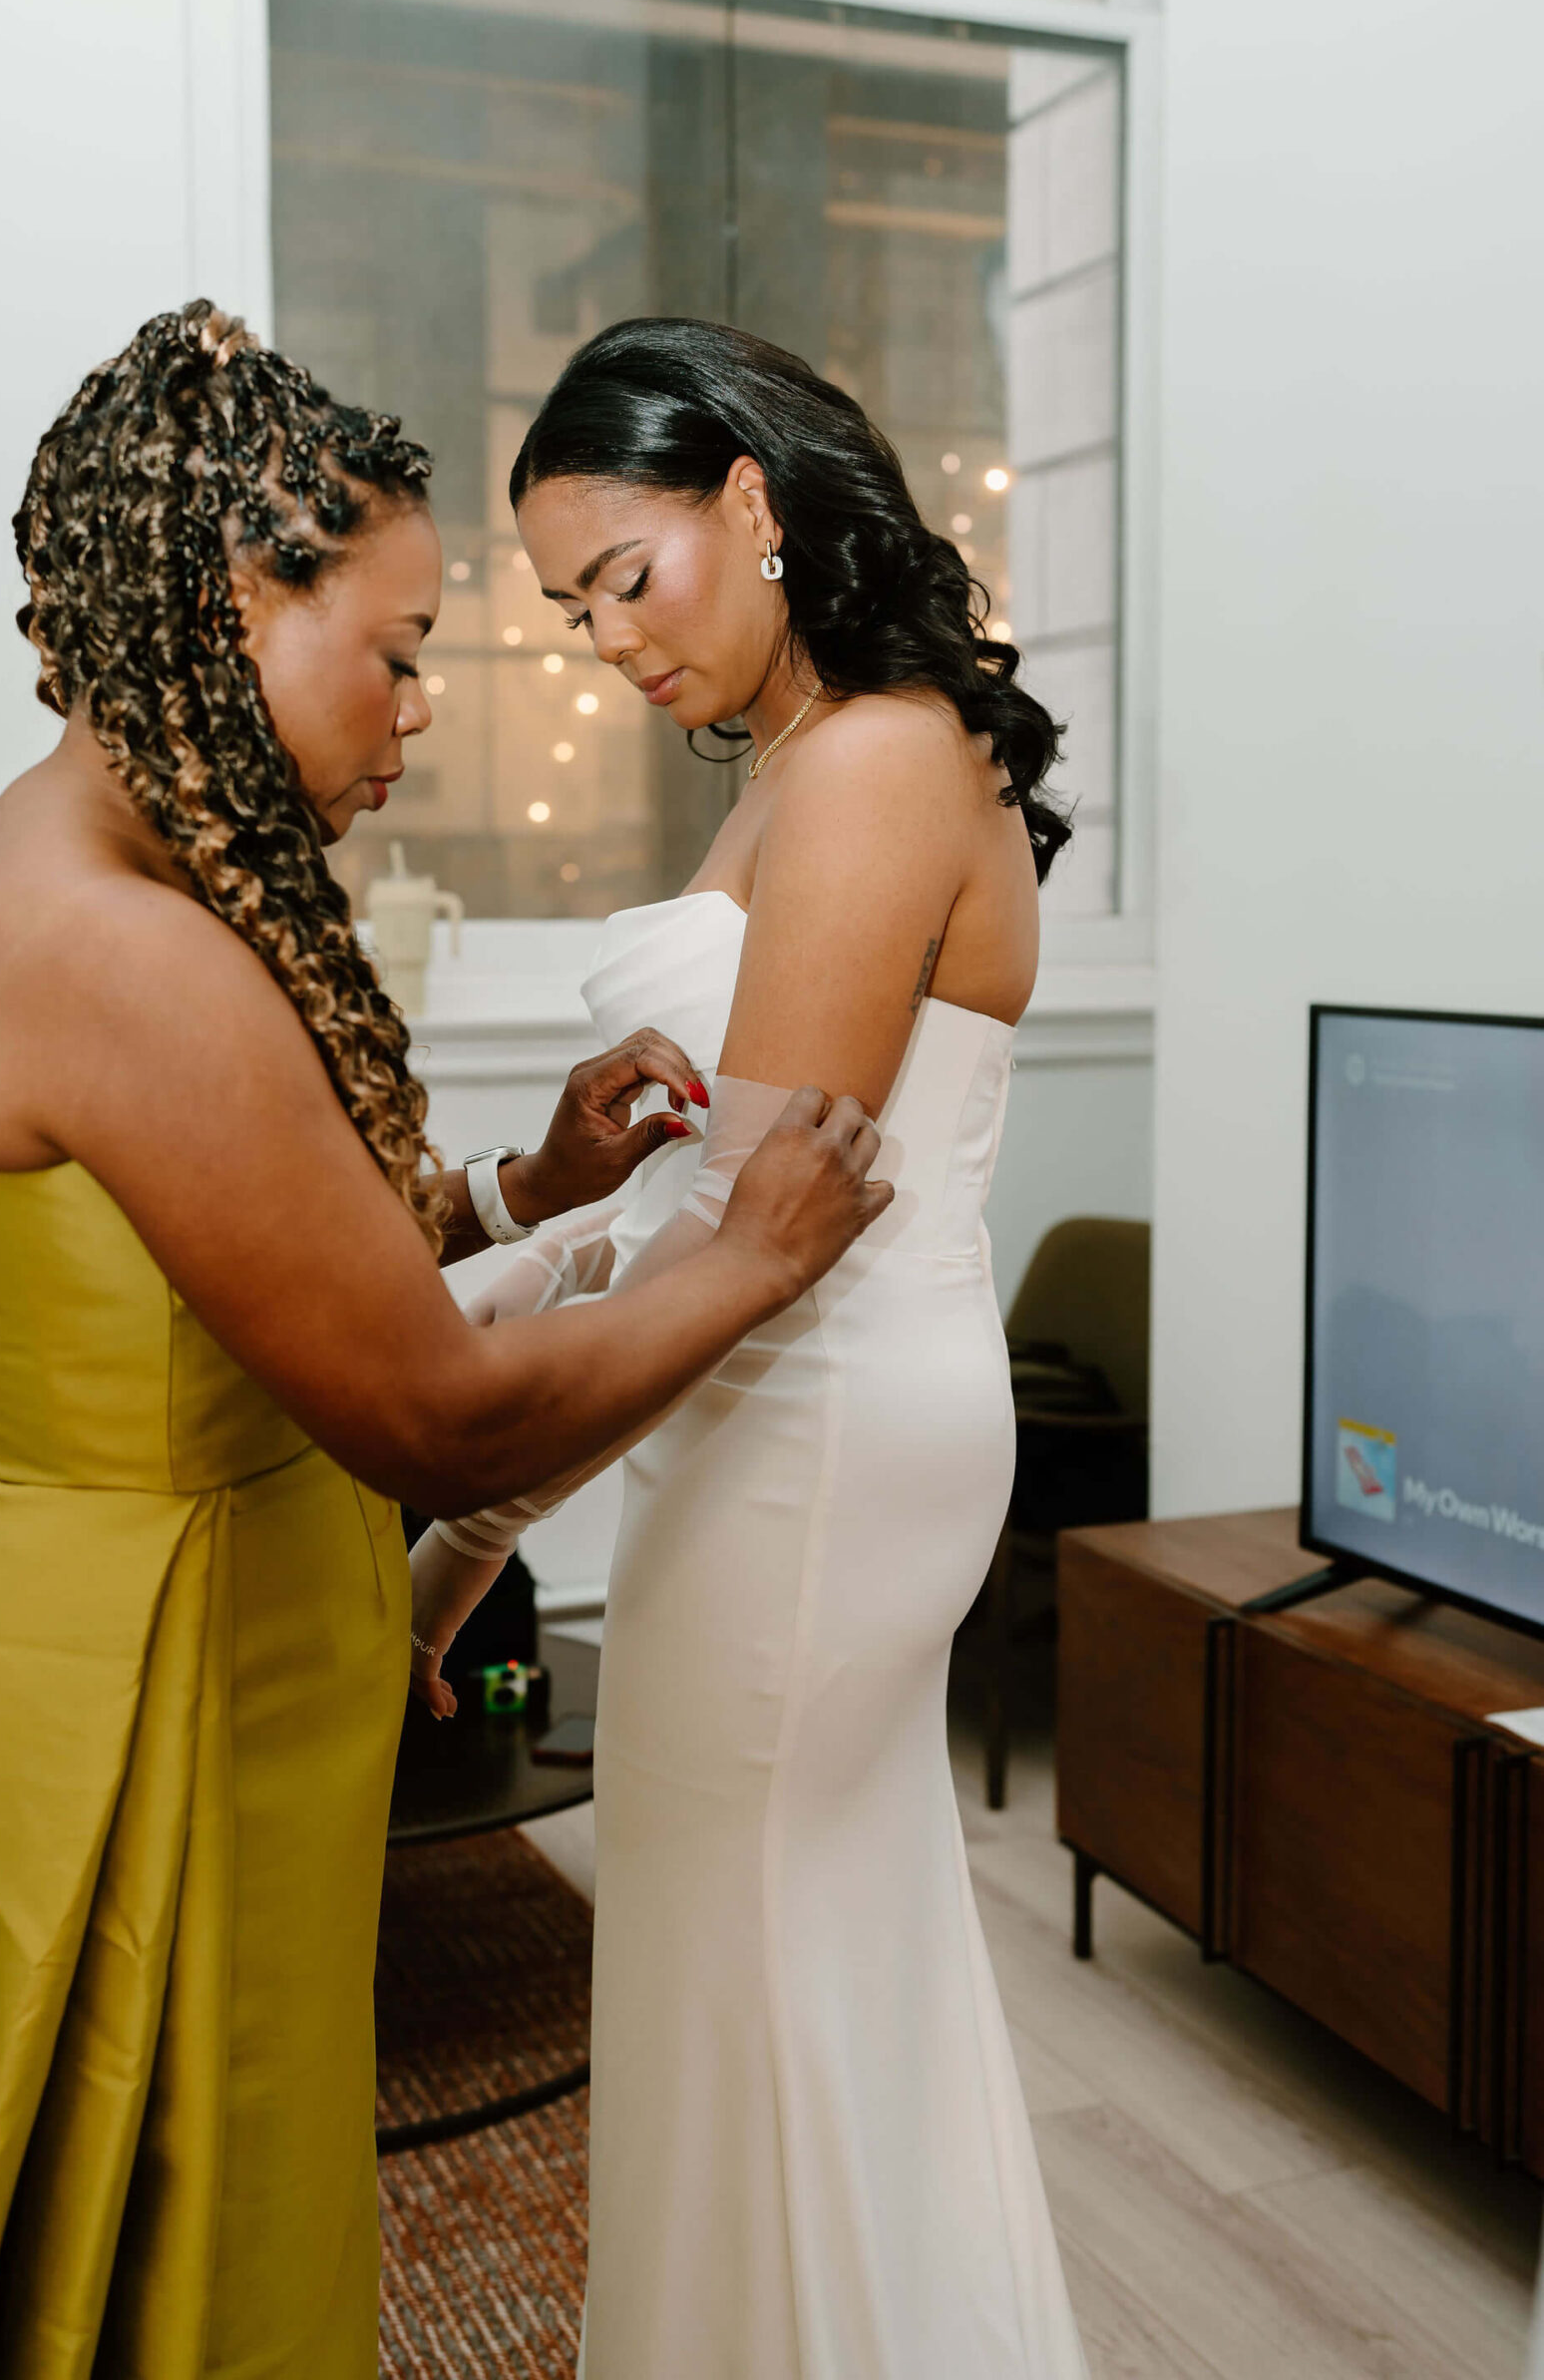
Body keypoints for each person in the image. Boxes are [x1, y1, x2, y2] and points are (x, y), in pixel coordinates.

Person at [0, 301, 890, 2380]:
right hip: (130, 1691)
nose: (417, 713)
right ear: (244, 590)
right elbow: (424, 1405)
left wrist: (527, 1186)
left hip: (140, 1631)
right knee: (138, 2239)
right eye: (396, 650)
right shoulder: (114, 944)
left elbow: (233, 1256)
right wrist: (743, 1257)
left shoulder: (92, 863)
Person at [408, 318, 1089, 2378]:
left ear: (755, 503)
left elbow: (751, 1231)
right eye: (564, 605)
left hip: (816, 1416)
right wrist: (510, 1254)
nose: (603, 640)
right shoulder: (821, 756)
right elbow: (681, 1204)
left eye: (627, 575)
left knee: (743, 1946)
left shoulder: (878, 755)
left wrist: (459, 1524)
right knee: (779, 1946)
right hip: (781, 1393)